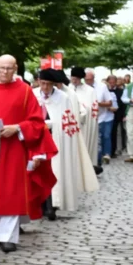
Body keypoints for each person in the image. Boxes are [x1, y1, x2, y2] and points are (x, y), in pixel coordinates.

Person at [0, 55, 46, 252]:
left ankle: (8, 236)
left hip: (14, 147)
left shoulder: (24, 91)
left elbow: (36, 121)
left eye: (9, 68)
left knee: (11, 191)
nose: (5, 72)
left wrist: (17, 128)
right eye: (1, 68)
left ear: (15, 68)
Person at [35, 69, 96, 216]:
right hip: (37, 139)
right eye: (42, 83)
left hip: (56, 139)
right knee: (37, 171)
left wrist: (51, 124)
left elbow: (66, 122)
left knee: (55, 170)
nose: (45, 87)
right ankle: (40, 203)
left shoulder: (63, 98)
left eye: (48, 84)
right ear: (38, 82)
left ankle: (52, 205)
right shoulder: (32, 95)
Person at [70, 67, 99, 172]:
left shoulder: (90, 91)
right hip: (71, 123)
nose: (74, 80)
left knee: (85, 145)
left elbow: (93, 108)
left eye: (76, 78)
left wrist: (82, 108)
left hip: (85, 124)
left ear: (81, 78)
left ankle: (86, 168)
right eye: (73, 78)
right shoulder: (68, 89)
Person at [92, 70, 117, 166]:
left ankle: (106, 154)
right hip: (96, 117)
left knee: (106, 136)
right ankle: (99, 156)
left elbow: (113, 105)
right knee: (99, 137)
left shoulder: (110, 93)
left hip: (107, 117)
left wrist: (99, 104)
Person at [109, 75, 126, 158]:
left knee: (116, 133)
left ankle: (115, 150)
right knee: (109, 133)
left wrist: (122, 115)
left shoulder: (120, 91)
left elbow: (122, 104)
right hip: (107, 114)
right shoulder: (106, 90)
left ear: (116, 82)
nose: (112, 84)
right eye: (110, 82)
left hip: (117, 115)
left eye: (113, 82)